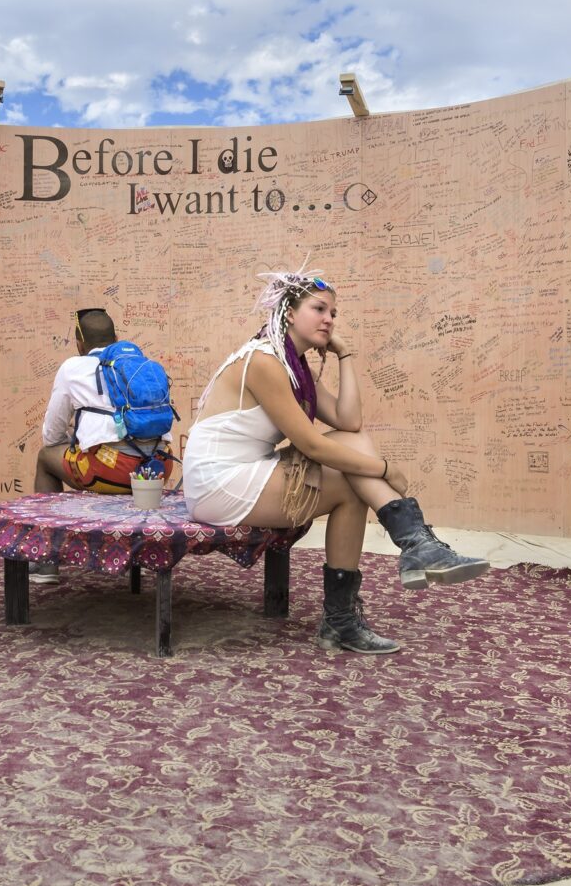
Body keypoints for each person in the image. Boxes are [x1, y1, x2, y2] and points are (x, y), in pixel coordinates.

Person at [183, 268, 487, 654]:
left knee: (354, 450)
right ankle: (404, 552)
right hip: (219, 482)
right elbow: (313, 446)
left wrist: (345, 354)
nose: (329, 319)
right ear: (289, 312)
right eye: (319, 309)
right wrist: (385, 469)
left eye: (334, 313)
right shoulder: (265, 361)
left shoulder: (294, 365)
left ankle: (408, 551)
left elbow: (349, 422)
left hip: (247, 472)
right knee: (352, 479)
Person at [31, 306, 180, 582]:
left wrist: (78, 444)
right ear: (115, 338)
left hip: (109, 469)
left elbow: (52, 434)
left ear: (80, 342)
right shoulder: (140, 366)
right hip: (158, 469)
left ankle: (46, 560)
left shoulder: (72, 368)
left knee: (45, 458)